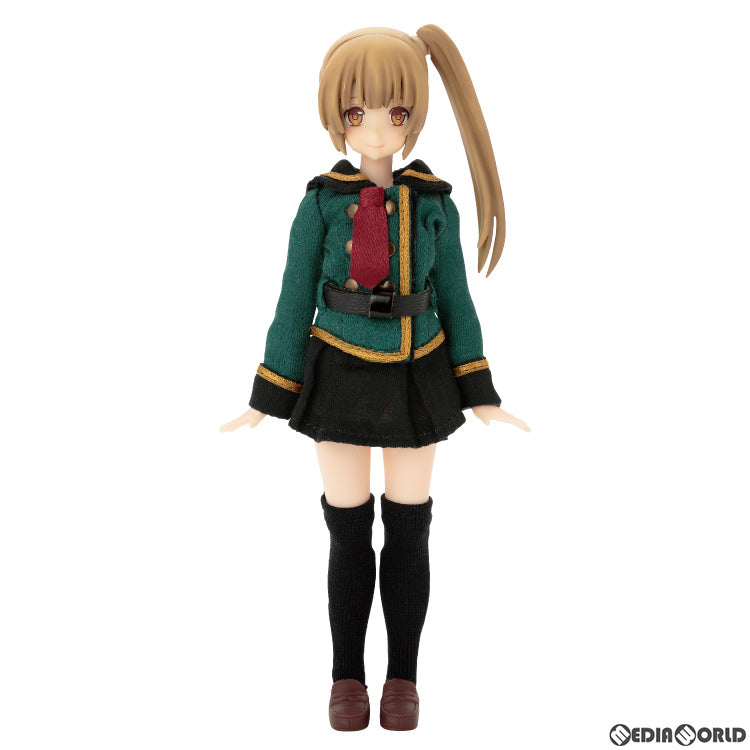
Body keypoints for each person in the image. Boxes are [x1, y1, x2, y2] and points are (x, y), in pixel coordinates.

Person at [221, 25, 529, 731]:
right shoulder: (321, 202)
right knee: (347, 531)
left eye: (397, 110)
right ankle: (346, 677)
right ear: (338, 117)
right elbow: (293, 301)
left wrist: (479, 391)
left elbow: (457, 301)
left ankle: (403, 679)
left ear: (414, 115)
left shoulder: (434, 203)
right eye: (358, 111)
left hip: (419, 375)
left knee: (410, 530)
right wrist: (268, 393)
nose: (379, 126)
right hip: (337, 369)